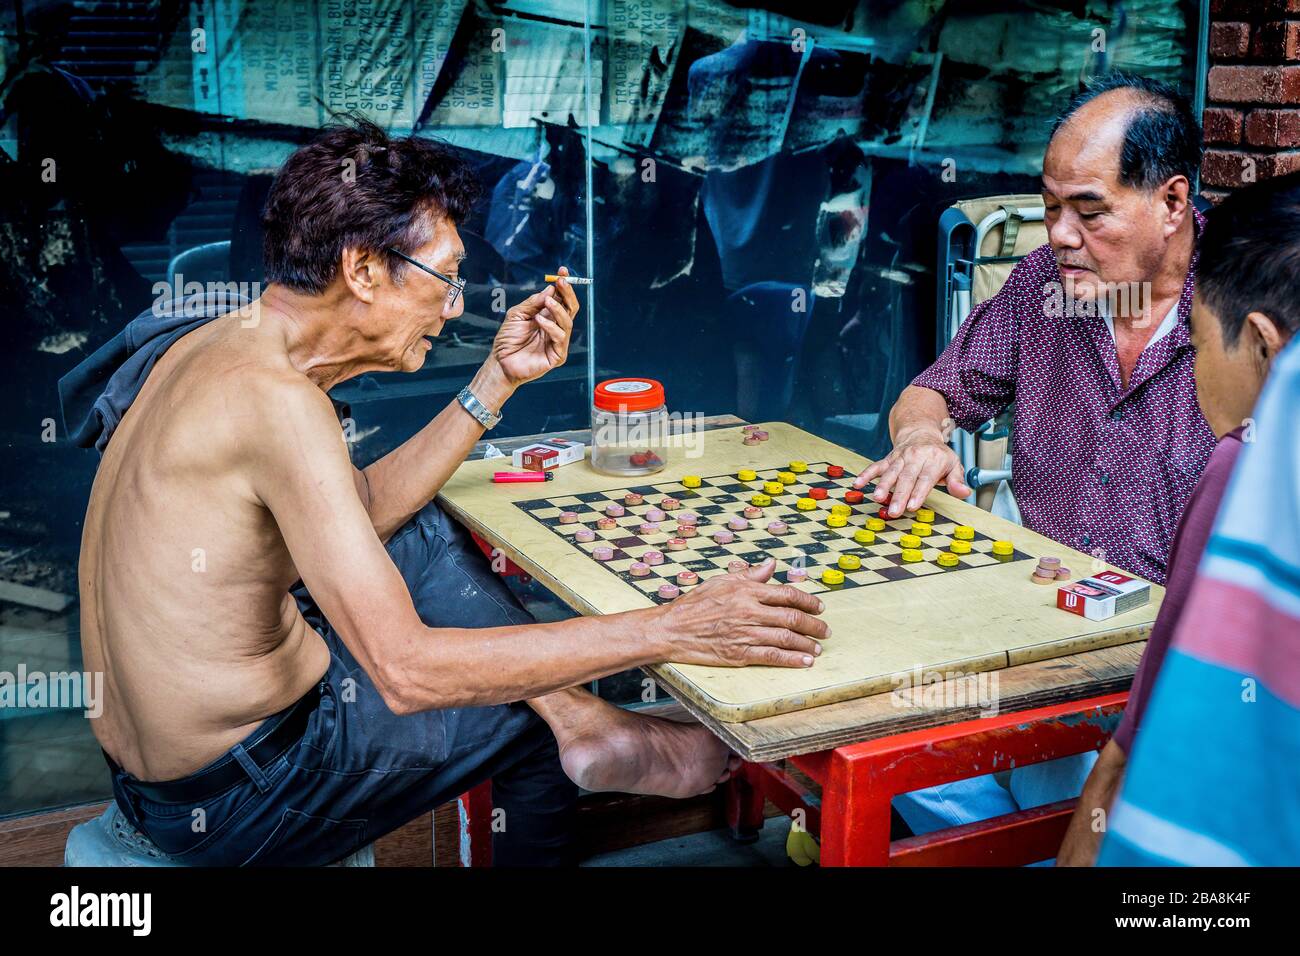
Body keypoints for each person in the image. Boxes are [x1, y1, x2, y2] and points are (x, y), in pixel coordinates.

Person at [63, 117, 828, 866]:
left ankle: (586, 722)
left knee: (421, 531)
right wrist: (674, 628)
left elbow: (356, 515)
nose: (457, 304)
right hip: (242, 796)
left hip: (168, 775)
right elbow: (407, 673)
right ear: (363, 270)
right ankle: (582, 729)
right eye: (446, 277)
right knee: (518, 721)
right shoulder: (279, 404)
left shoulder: (224, 344)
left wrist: (496, 380)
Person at [859, 73, 1217, 838]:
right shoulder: (1047, 288)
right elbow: (932, 391)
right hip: (1041, 633)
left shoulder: (1245, 313)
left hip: (1182, 679)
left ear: (1174, 203)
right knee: (882, 738)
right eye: (1051, 206)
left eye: (1089, 211)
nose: (1058, 233)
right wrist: (923, 437)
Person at [1059, 172, 1300, 865]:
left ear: (1263, 346)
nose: (1065, 235)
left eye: (1196, 345)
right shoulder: (1040, 295)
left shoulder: (1245, 467)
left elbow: (1135, 743)